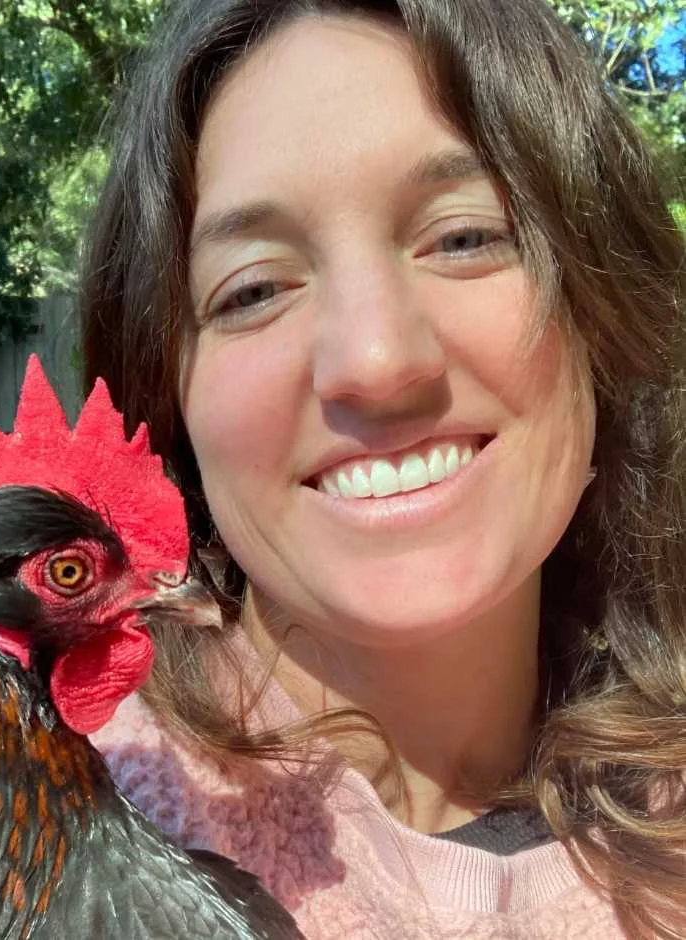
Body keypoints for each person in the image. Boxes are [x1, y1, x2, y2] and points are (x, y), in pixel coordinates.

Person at [79, 0, 686, 937]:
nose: (374, 359)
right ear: (167, 406)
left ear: (599, 311)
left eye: (465, 237)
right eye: (253, 290)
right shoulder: (15, 839)